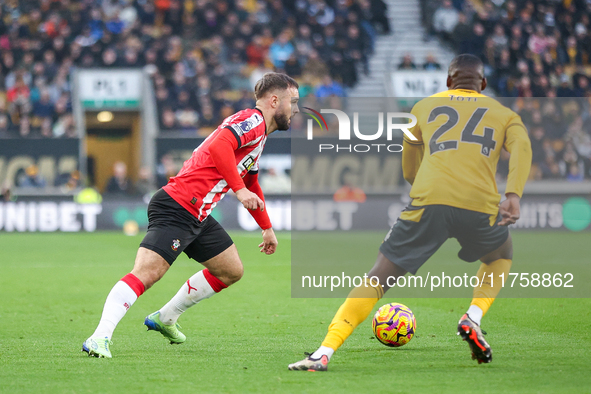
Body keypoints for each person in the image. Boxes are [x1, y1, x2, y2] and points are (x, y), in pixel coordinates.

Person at [289, 54, 532, 371]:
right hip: (480, 204)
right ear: (483, 84)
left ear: (447, 81)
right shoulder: (504, 114)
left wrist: (425, 188)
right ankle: (473, 316)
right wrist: (512, 194)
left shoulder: (424, 107)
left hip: (428, 200)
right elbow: (523, 148)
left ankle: (323, 353)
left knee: (378, 277)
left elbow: (409, 165)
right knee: (501, 254)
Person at [83, 72, 300, 358]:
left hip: (198, 213)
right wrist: (237, 190)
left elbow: (252, 183)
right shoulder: (252, 120)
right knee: (147, 273)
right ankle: (99, 337)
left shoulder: (259, 136)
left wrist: (266, 227)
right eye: (293, 102)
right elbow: (219, 146)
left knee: (231, 270)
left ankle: (165, 317)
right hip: (178, 205)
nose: (295, 109)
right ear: (275, 100)